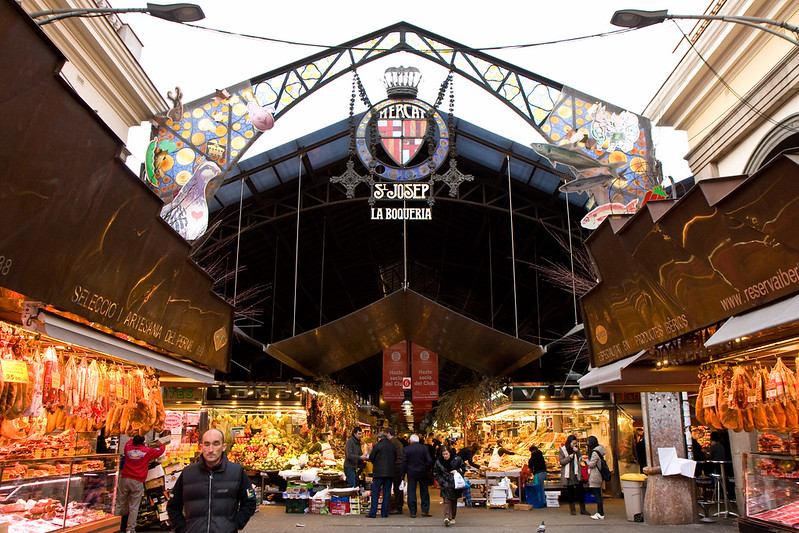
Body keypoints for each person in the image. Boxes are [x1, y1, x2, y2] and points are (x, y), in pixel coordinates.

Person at [166, 428, 256, 533]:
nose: (211, 449)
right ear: (201, 447)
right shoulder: (188, 473)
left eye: (216, 444)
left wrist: (234, 525)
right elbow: (173, 506)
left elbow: (250, 501)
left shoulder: (236, 472)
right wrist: (182, 529)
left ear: (223, 447)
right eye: (207, 444)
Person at [114, 434, 165, 533]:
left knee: (119, 503)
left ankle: (113, 525)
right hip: (137, 481)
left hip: (125, 479)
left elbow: (129, 441)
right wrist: (161, 442)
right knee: (134, 506)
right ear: (143, 442)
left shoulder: (127, 448)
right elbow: (160, 451)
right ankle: (130, 529)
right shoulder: (147, 451)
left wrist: (136, 434)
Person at [401, 433, 433, 518]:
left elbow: (404, 463)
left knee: (411, 491)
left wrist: (403, 474)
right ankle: (425, 510)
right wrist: (426, 468)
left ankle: (413, 511)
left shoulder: (406, 449)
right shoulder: (424, 448)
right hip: (422, 472)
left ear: (410, 441)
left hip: (411, 472)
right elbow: (429, 460)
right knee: (424, 491)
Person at [434, 444, 466, 527]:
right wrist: (441, 482)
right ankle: (447, 517)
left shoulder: (457, 459)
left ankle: (452, 517)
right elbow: (436, 473)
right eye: (443, 454)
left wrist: (457, 471)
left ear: (450, 453)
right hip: (445, 483)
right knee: (446, 500)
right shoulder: (439, 462)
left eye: (446, 454)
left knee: (453, 501)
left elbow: (463, 468)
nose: (445, 456)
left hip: (454, 484)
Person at [366, 431, 396, 519]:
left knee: (375, 493)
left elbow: (371, 458)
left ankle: (373, 513)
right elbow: (395, 458)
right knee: (386, 493)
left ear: (379, 438)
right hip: (389, 473)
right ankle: (384, 513)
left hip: (378, 473)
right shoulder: (392, 446)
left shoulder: (377, 446)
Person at [559, 435, 588, 516]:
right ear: (569, 443)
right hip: (568, 474)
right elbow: (561, 462)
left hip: (577, 473)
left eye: (576, 443)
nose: (574, 445)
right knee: (570, 492)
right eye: (573, 443)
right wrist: (569, 457)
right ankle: (572, 509)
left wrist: (577, 452)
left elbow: (580, 460)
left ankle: (583, 509)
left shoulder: (577, 450)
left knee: (580, 491)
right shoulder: (563, 450)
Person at [584, 435, 606, 520]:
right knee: (598, 494)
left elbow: (591, 464)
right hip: (598, 474)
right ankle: (600, 512)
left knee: (597, 495)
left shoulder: (595, 452)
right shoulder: (599, 451)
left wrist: (586, 461)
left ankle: (600, 513)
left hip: (595, 475)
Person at [385, 427, 404, 514]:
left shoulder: (392, 442)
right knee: (398, 487)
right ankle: (398, 505)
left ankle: (398, 507)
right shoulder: (397, 442)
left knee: (397, 488)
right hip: (399, 467)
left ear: (388, 433)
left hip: (396, 467)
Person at [528, 444, 548, 509]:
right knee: (541, 487)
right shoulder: (540, 455)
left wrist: (531, 469)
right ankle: (543, 501)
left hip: (539, 473)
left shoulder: (534, 455)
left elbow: (530, 463)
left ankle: (542, 501)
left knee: (539, 487)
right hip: (543, 472)